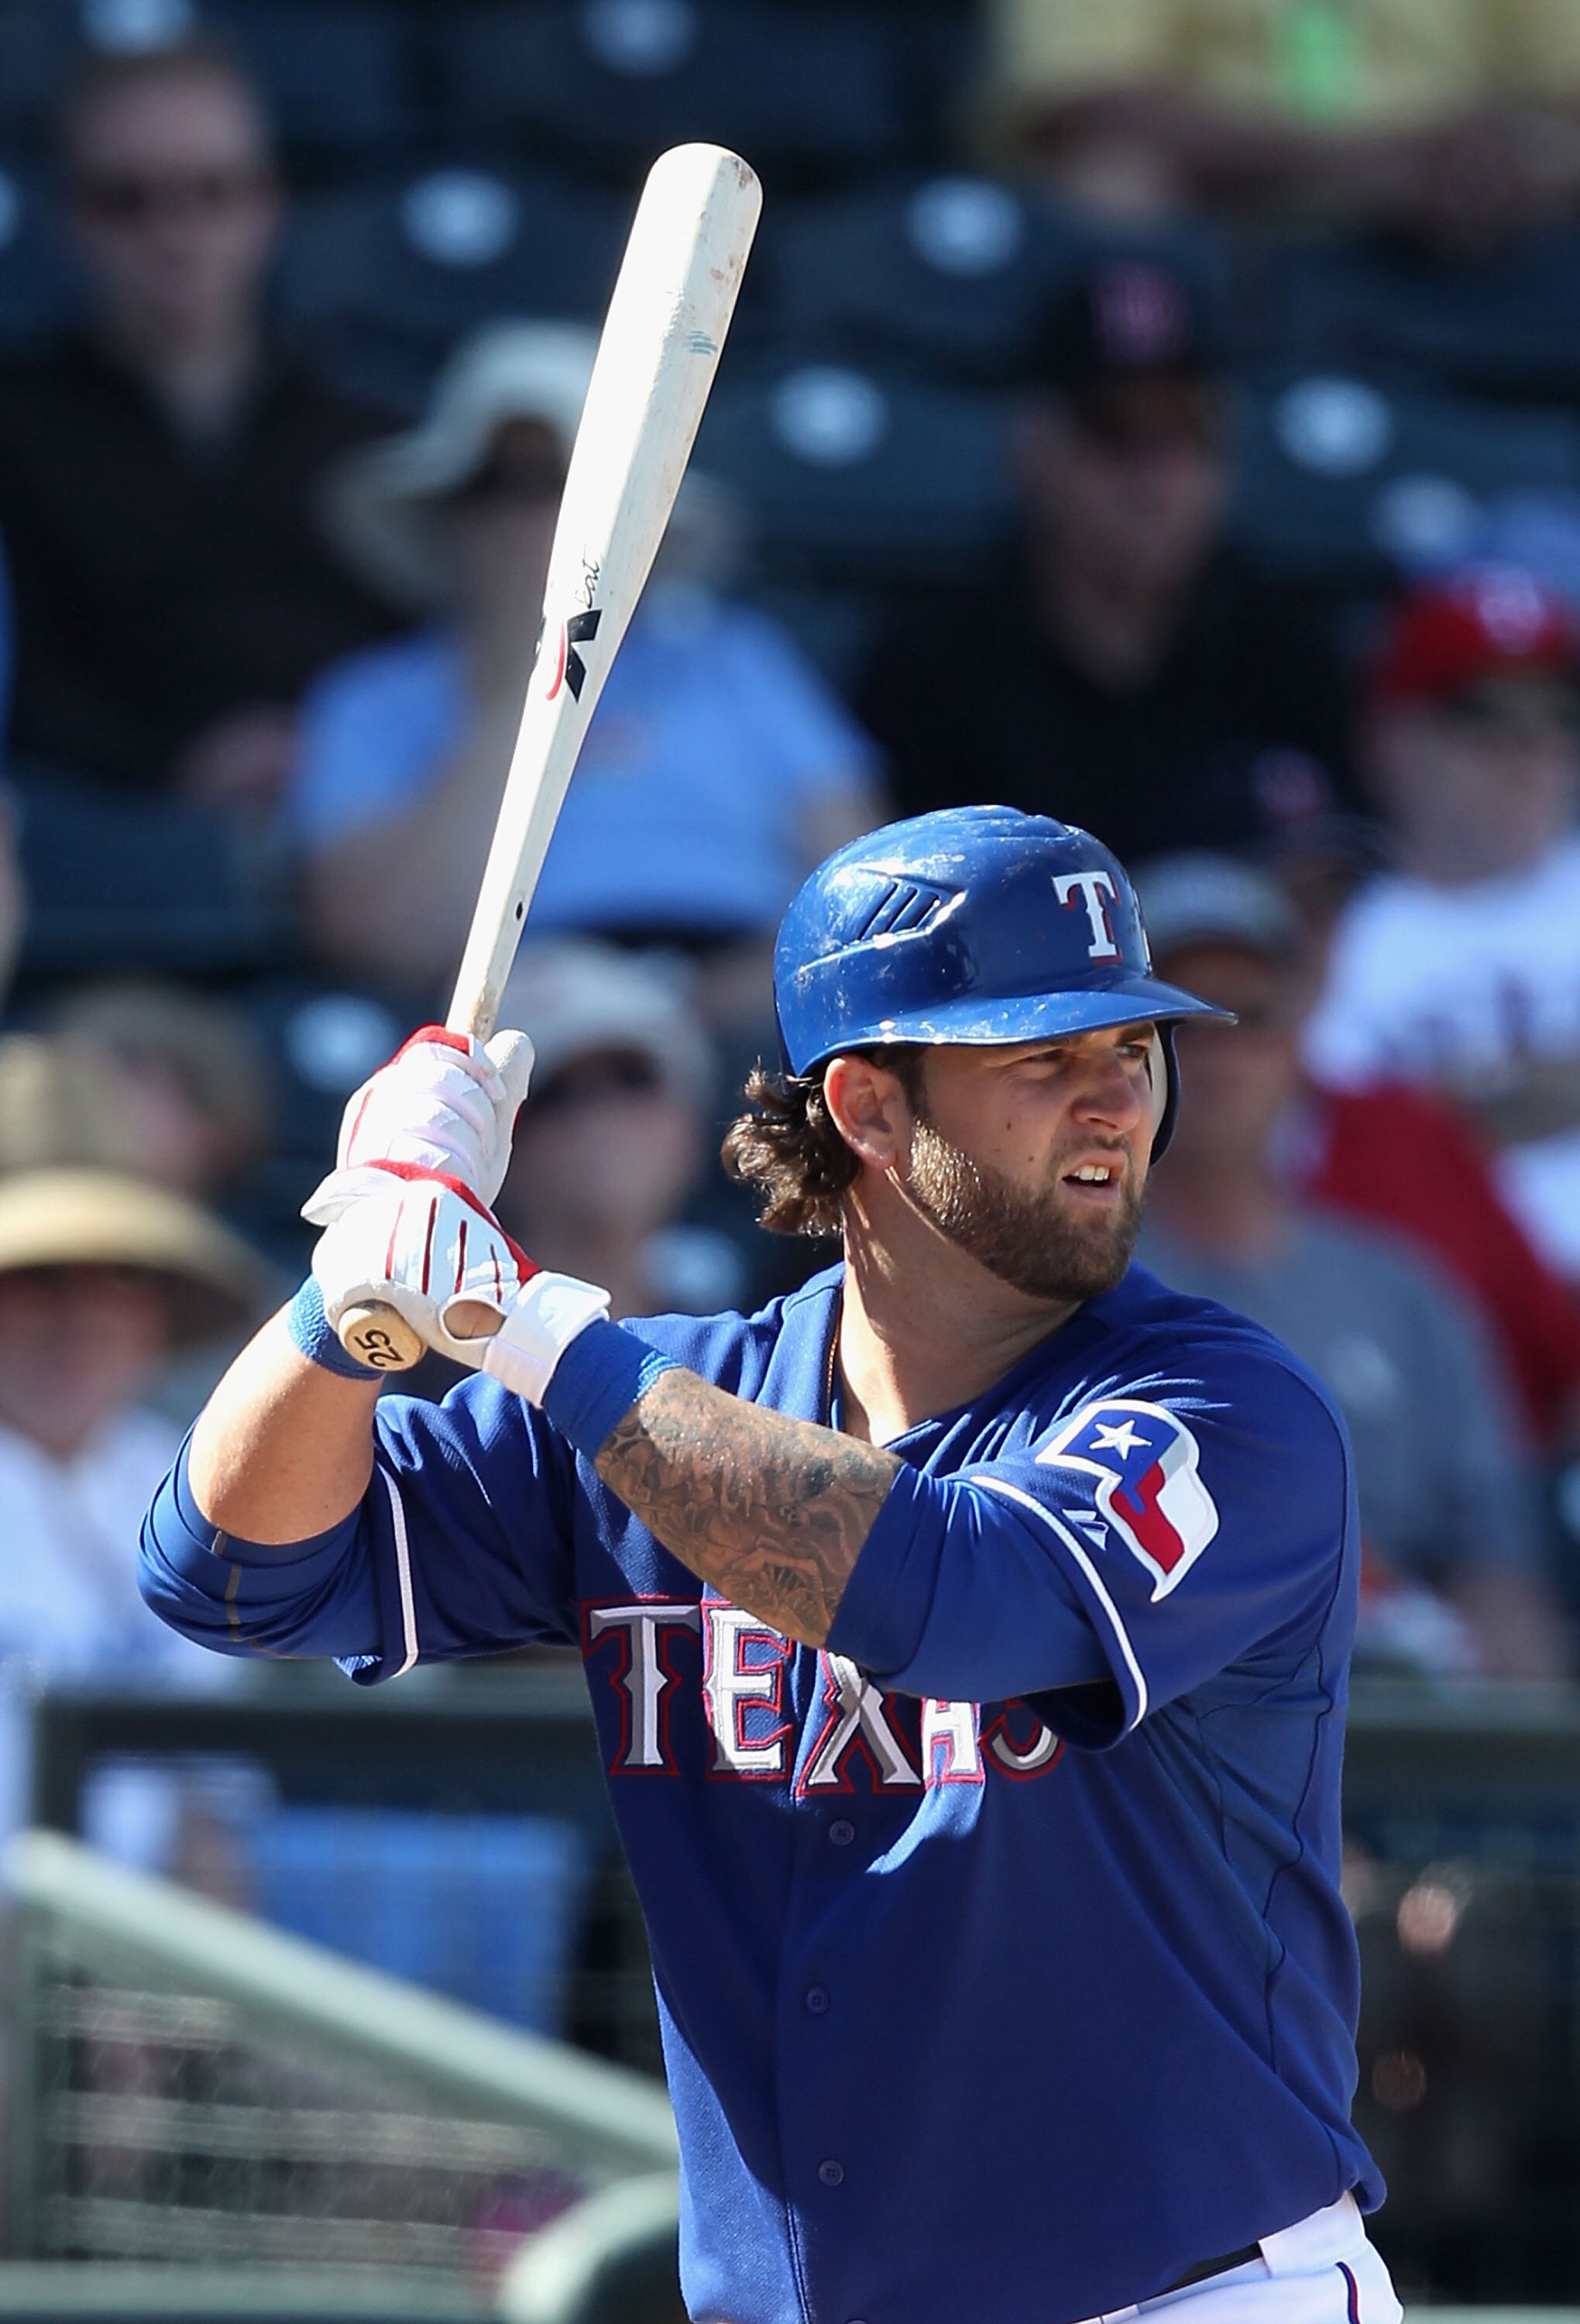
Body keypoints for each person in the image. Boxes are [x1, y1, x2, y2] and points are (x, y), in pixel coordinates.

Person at [143, 805, 1400, 2324]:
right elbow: (226, 1570)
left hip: (1181, 2297)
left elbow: (953, 1596)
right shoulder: (665, 1401)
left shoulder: (1224, 1410)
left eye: (1130, 1052)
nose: (1113, 1105)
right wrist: (347, 1312)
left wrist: (530, 1331)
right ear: (867, 1108)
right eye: (1041, 1059)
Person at [291, 320, 883, 1003]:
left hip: (746, 1007)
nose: (540, 524)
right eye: (504, 485)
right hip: (510, 1023)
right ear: (450, 514)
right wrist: (524, 680)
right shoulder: (368, 700)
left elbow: (860, 897)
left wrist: (727, 998)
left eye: (569, 487)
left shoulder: (735, 662)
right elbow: (381, 940)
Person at [1134, 851, 1568, 1679]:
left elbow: (1499, 1565)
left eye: (1252, 1019)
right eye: (1180, 1025)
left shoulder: (1404, 1291)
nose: (1222, 1058)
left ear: (1299, 1039)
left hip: (1398, 1729)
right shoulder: (1053, 1287)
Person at [857, 254, 1352, 871]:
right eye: (1113, 432)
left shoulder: (1290, 648)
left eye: (1185, 431)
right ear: (1032, 448)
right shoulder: (933, 661)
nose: (1153, 479)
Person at [0, 36, 398, 805]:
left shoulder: (372, 434)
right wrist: (172, 766)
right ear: (70, 216)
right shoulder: (11, 428)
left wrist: (333, 752)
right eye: (128, 199)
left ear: (268, 204)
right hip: (91, 855)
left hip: (359, 831)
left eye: (214, 191)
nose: (175, 234)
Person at [1304, 564, 1580, 1280]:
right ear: (1390, 739)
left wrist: (1454, 1102)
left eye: (1557, 716)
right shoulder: (1338, 928)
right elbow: (1337, 1137)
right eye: (1482, 715)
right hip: (1440, 1313)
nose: (1529, 749)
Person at [0, 1167, 262, 1849]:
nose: (79, 1320)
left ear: (160, 1316)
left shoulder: (187, 1481)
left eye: (120, 1277)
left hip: (119, 1937)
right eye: (41, 1277)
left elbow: (209, 1809)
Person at [978, 0, 1580, 254]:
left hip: (1463, 206)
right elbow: (1078, 100)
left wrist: (1504, 152)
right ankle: (1146, 433)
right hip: (1218, 202)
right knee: (1110, 179)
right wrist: (1356, 165)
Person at [493, 942, 744, 1321]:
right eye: (552, 1095)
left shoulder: (747, 1321)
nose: (600, 1113)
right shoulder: (429, 1354)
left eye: (632, 1079)